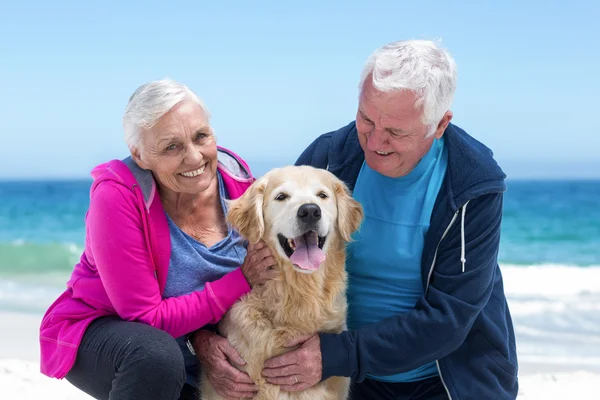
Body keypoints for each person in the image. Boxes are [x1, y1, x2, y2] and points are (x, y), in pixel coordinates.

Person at [260, 40, 519, 399]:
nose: (375, 141)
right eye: (366, 119)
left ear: (440, 124)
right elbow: (265, 247)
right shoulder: (330, 157)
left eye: (397, 132)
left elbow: (449, 319)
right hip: (346, 377)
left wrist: (338, 354)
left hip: (447, 379)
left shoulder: (474, 185)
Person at [39, 78, 277, 400]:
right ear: (139, 154)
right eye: (171, 147)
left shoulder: (239, 183)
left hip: (192, 342)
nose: (194, 158)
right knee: (157, 357)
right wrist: (241, 279)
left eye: (201, 136)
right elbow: (146, 319)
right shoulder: (117, 198)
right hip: (108, 334)